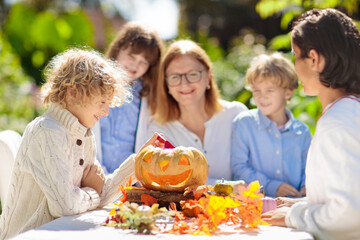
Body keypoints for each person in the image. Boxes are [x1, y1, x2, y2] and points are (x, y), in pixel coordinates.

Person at [0, 48, 160, 239]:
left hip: (63, 232)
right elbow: (65, 205)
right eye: (102, 102)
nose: (106, 112)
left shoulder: (83, 134)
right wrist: (92, 191)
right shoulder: (47, 131)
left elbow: (103, 191)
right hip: (30, 235)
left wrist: (138, 162)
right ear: (72, 92)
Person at [261, 8, 360, 240]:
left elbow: (349, 215)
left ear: (314, 59)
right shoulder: (349, 111)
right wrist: (302, 203)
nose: (295, 67)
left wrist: (293, 215)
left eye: (296, 55)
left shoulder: (338, 123)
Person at [143, 40, 248, 185]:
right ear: (166, 84)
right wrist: (223, 186)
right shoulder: (159, 130)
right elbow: (165, 181)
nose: (184, 84)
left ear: (208, 76)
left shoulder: (237, 115)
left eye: (193, 74)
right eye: (175, 77)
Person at [231, 53, 312, 198]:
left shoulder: (302, 132)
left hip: (293, 207)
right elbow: (239, 169)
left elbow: (308, 169)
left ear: (288, 92)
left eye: (270, 90)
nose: (262, 96)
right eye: (256, 90)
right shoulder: (244, 123)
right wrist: (272, 186)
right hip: (256, 207)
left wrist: (307, 187)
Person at [95, 22, 163, 173]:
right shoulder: (93, 85)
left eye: (143, 62)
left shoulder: (146, 97)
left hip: (128, 180)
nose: (135, 65)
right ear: (117, 50)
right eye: (131, 56)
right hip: (91, 174)